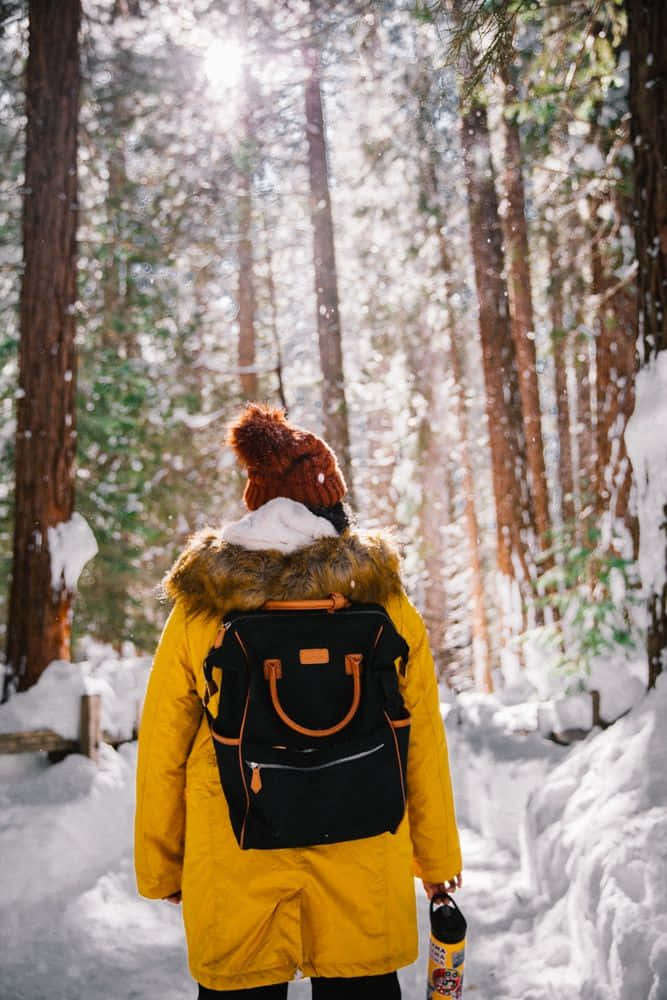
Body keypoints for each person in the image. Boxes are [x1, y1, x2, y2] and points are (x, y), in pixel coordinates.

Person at [134, 403, 463, 998]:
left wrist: (162, 866)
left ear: (254, 505)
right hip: (361, 848)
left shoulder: (204, 604)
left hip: (237, 844)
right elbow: (420, 739)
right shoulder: (383, 602)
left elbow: (164, 741)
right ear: (330, 506)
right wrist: (436, 866)